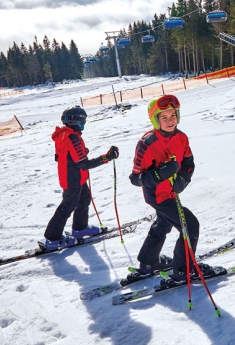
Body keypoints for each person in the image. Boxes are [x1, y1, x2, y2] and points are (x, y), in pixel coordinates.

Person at [126, 95, 208, 284]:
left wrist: (183, 179)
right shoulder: (146, 144)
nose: (170, 121)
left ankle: (149, 263)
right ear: (156, 119)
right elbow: (135, 178)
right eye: (164, 117)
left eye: (173, 116)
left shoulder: (181, 137)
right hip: (157, 195)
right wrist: (158, 174)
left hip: (172, 191)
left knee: (163, 224)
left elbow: (188, 162)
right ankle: (183, 271)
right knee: (190, 226)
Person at [40, 106, 119, 250]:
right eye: (83, 121)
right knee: (67, 207)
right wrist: (106, 158)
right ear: (75, 121)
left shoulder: (64, 134)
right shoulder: (73, 137)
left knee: (84, 200)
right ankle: (52, 239)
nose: (84, 124)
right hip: (73, 179)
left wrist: (82, 153)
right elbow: (83, 164)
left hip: (74, 176)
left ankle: (80, 228)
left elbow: (67, 156)